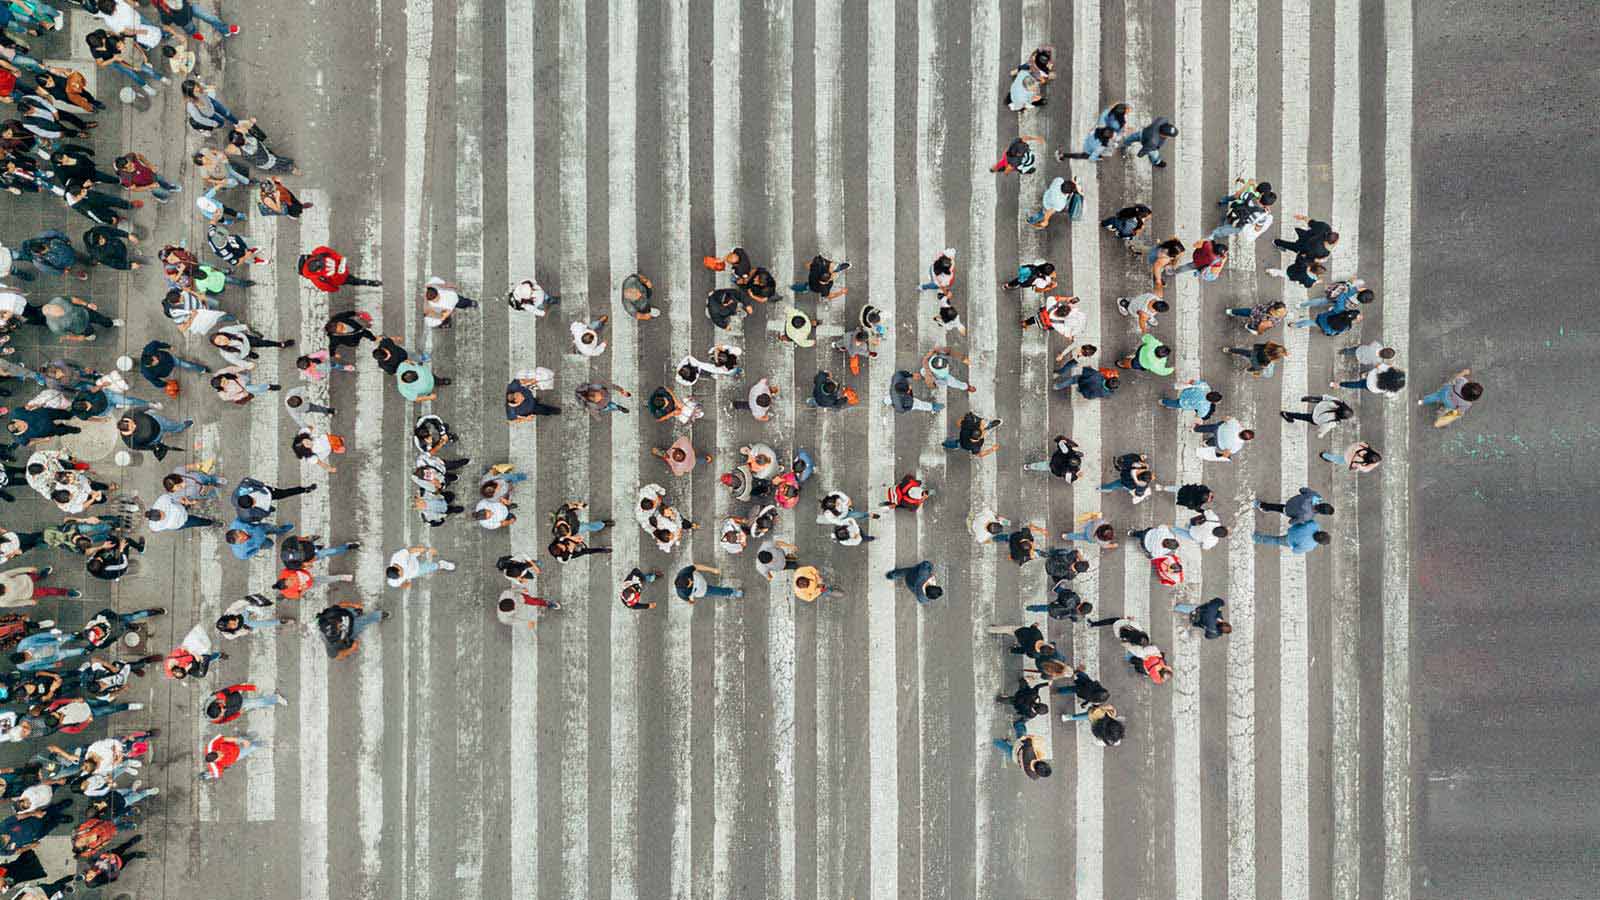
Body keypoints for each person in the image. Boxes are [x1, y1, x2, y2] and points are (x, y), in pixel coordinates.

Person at [298, 244, 380, 292]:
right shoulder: (319, 252)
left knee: (354, 281)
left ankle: (367, 282)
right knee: (351, 277)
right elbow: (331, 252)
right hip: (340, 264)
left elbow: (332, 288)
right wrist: (339, 259)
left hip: (342, 278)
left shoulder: (317, 280)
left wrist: (336, 286)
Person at [204, 683, 286, 724]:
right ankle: (276, 698)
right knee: (256, 703)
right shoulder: (217, 720)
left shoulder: (220, 695)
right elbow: (227, 719)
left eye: (222, 706)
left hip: (235, 698)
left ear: (217, 701)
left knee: (255, 702)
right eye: (222, 713)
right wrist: (239, 713)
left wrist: (251, 688)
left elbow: (233, 688)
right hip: (238, 708)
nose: (224, 710)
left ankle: (276, 698)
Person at [1280, 394, 1354, 437]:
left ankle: (1287, 414)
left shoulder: (1337, 402)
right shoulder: (1334, 421)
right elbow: (1325, 428)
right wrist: (1321, 434)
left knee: (1301, 416)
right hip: (1315, 418)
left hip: (1318, 408)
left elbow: (1324, 397)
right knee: (1301, 416)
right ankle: (1286, 414)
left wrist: (1311, 398)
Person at [384, 545, 455, 589]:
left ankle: (422, 551)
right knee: (430, 567)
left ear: (398, 567)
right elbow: (400, 585)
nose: (402, 575)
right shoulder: (393, 582)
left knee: (419, 548)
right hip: (415, 570)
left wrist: (428, 549)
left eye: (401, 573)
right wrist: (405, 585)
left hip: (410, 558)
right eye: (400, 576)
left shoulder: (399, 557)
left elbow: (410, 550)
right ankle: (441, 564)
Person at [1256, 486, 1334, 524]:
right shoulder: (1308, 516)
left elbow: (1302, 489)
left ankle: (1265, 506)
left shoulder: (1316, 496)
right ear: (1321, 513)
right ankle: (1262, 505)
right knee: (1277, 508)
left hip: (1291, 501)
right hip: (1288, 510)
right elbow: (1291, 522)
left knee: (1280, 506)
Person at [671, 564, 741, 604]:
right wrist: (691, 601)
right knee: (718, 591)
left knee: (717, 591)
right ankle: (732, 592)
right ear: (685, 588)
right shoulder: (682, 593)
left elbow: (696, 567)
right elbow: (688, 600)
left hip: (701, 580)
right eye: (690, 584)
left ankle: (730, 592)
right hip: (703, 591)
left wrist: (713, 570)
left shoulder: (684, 572)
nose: (692, 581)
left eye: (690, 580)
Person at [1253, 520, 1331, 554]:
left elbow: (1305, 521)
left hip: (1292, 531)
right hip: (1289, 541)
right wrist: (1292, 547)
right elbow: (1296, 551)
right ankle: (1257, 538)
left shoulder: (1314, 525)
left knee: (1276, 540)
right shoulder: (1310, 546)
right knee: (1275, 540)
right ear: (1319, 542)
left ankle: (1257, 537)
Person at [1221, 340, 1288, 378]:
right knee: (1257, 368)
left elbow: (1258, 346)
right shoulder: (1268, 360)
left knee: (1242, 351)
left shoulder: (1268, 345)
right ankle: (1247, 370)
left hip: (1253, 353)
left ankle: (1229, 350)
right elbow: (1263, 365)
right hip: (1255, 362)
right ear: (1275, 356)